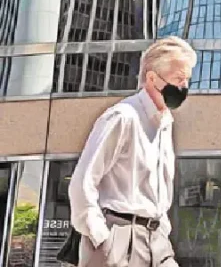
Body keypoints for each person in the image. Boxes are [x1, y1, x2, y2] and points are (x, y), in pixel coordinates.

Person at [69, 37, 197, 267]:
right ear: (152, 78)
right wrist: (101, 237)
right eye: (179, 79)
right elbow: (83, 182)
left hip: (156, 238)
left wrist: (163, 231)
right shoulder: (123, 117)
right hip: (118, 235)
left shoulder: (165, 124)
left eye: (187, 79)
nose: (184, 87)